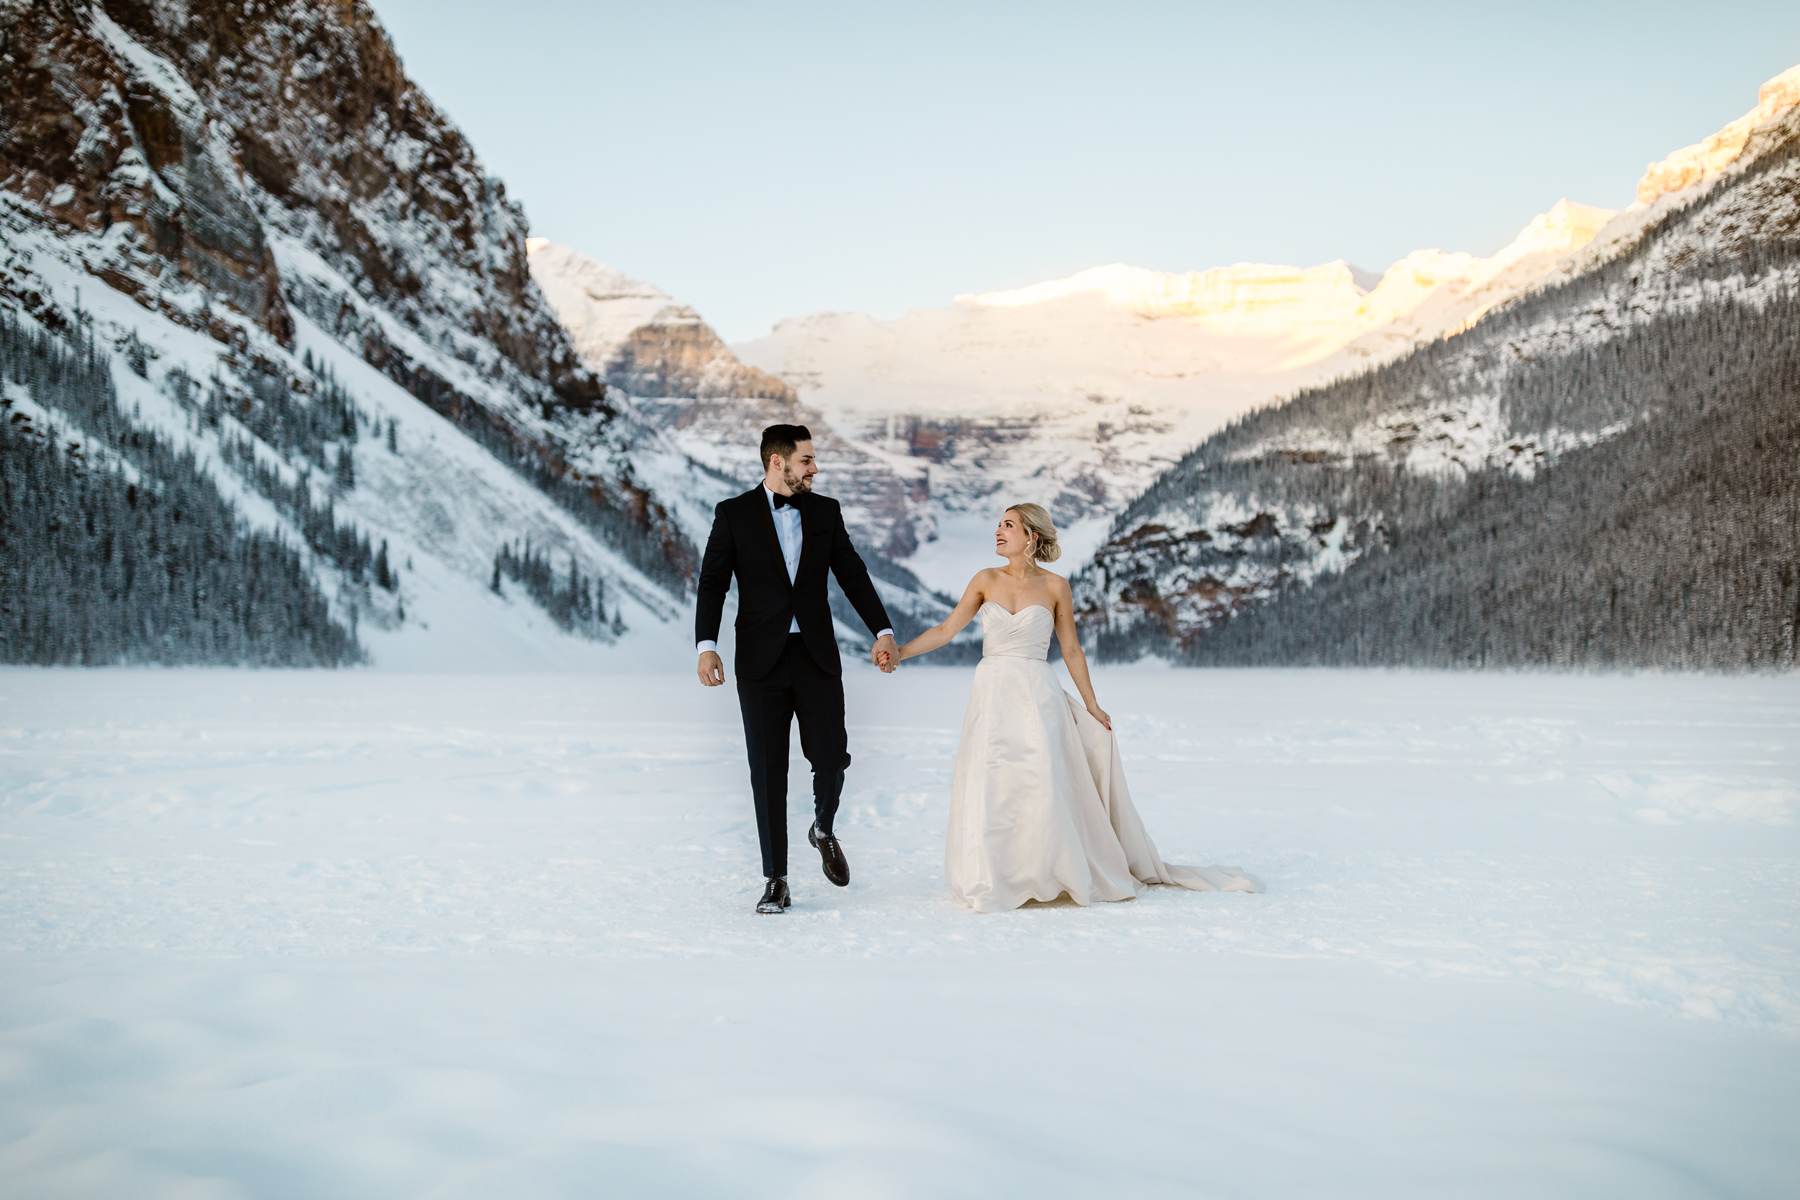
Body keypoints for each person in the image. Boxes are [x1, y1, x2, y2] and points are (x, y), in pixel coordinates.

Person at [894, 502, 1259, 912]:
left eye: (1009, 525)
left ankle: (1049, 869)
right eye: (999, 525)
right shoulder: (984, 580)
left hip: (1037, 692)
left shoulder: (1055, 587)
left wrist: (1092, 705)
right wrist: (900, 653)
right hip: (992, 691)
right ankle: (994, 874)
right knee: (992, 780)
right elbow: (946, 630)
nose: (998, 531)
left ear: (1031, 536)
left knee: (1040, 780)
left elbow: (1070, 649)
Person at [694, 424, 899, 914]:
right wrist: (706, 645)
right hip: (759, 664)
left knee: (832, 757)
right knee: (767, 771)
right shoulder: (734, 514)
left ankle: (823, 826)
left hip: (816, 655)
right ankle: (776, 880)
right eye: (806, 460)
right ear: (777, 462)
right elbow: (712, 583)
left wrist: (882, 630)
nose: (815, 468)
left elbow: (851, 573)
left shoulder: (826, 512)